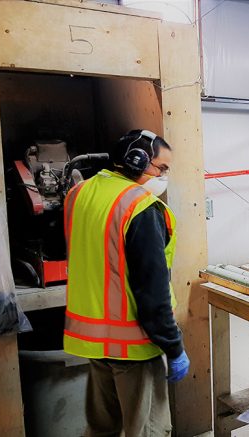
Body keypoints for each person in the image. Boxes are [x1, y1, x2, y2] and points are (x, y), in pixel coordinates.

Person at [63, 129, 190, 435]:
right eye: (161, 168)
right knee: (146, 429)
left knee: (103, 428)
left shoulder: (80, 193)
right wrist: (173, 348)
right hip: (133, 344)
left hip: (95, 342)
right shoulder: (141, 207)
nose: (163, 177)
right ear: (137, 161)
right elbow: (152, 290)